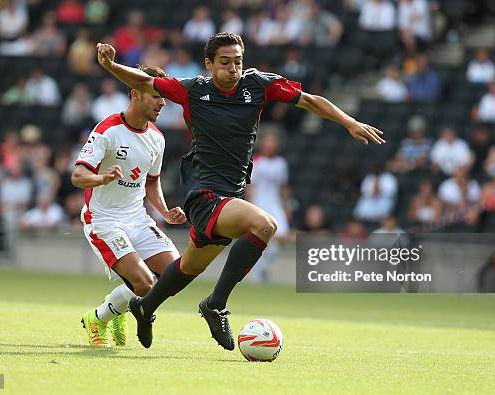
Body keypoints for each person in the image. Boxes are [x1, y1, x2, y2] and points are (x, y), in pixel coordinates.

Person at [96, 33, 385, 351]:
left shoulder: (259, 85)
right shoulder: (193, 89)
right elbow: (144, 81)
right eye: (224, 62)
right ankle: (215, 304)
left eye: (237, 62)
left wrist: (348, 121)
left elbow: (310, 100)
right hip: (202, 191)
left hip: (232, 192)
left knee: (190, 266)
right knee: (265, 225)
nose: (233, 68)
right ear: (209, 64)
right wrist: (111, 64)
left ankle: (145, 307)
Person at [71, 65, 186, 347]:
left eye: (164, 98)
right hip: (104, 220)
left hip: (138, 217)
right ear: (135, 94)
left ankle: (118, 307)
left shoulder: (157, 138)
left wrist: (165, 211)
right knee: (144, 284)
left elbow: (151, 183)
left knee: (174, 274)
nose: (162, 103)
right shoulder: (108, 130)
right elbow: (78, 175)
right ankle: (97, 318)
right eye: (156, 96)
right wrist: (101, 177)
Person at [247, 133, 291, 282]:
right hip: (260, 204)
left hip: (275, 203)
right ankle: (258, 275)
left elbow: (283, 186)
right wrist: (251, 207)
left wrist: (287, 206)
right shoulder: (257, 161)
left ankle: (262, 268)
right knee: (261, 239)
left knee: (282, 236)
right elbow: (250, 186)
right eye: (268, 142)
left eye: (273, 142)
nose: (270, 145)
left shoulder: (281, 163)